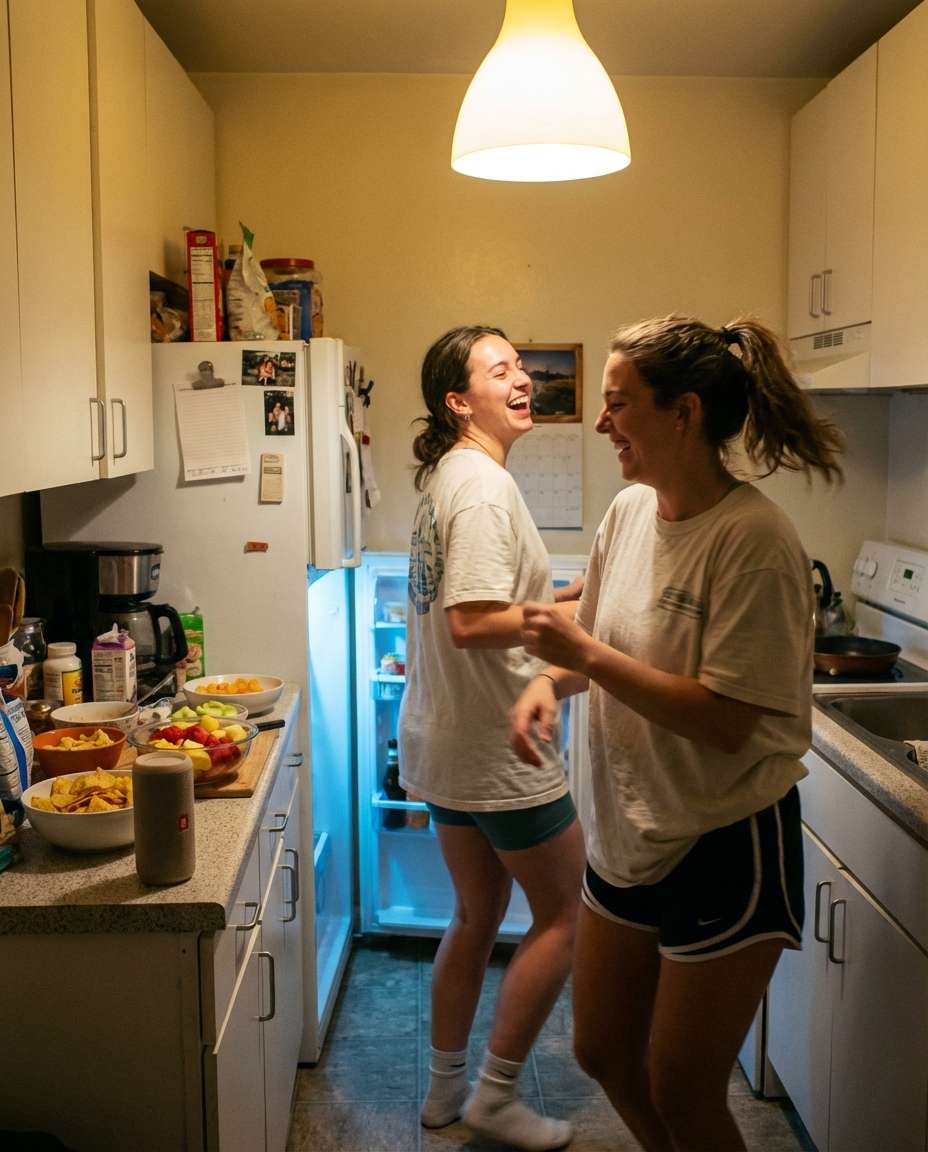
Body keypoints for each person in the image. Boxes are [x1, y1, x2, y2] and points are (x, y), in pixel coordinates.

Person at [509, 314, 843, 1152]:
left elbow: (727, 721)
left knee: (684, 1086)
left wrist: (582, 655)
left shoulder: (753, 539)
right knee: (601, 1051)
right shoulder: (629, 513)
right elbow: (600, 645)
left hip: (724, 839)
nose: (600, 423)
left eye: (619, 403)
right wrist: (549, 682)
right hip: (629, 831)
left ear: (684, 412)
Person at [399, 325, 587, 1152]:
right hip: (499, 745)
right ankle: (498, 1096)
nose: (522, 379)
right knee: (566, 914)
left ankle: (445, 1093)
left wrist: (567, 592)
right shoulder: (481, 487)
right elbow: (473, 621)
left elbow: (490, 596)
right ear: (457, 401)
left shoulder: (450, 476)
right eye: (499, 369)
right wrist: (571, 629)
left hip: (446, 742)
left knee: (477, 914)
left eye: (521, 367)